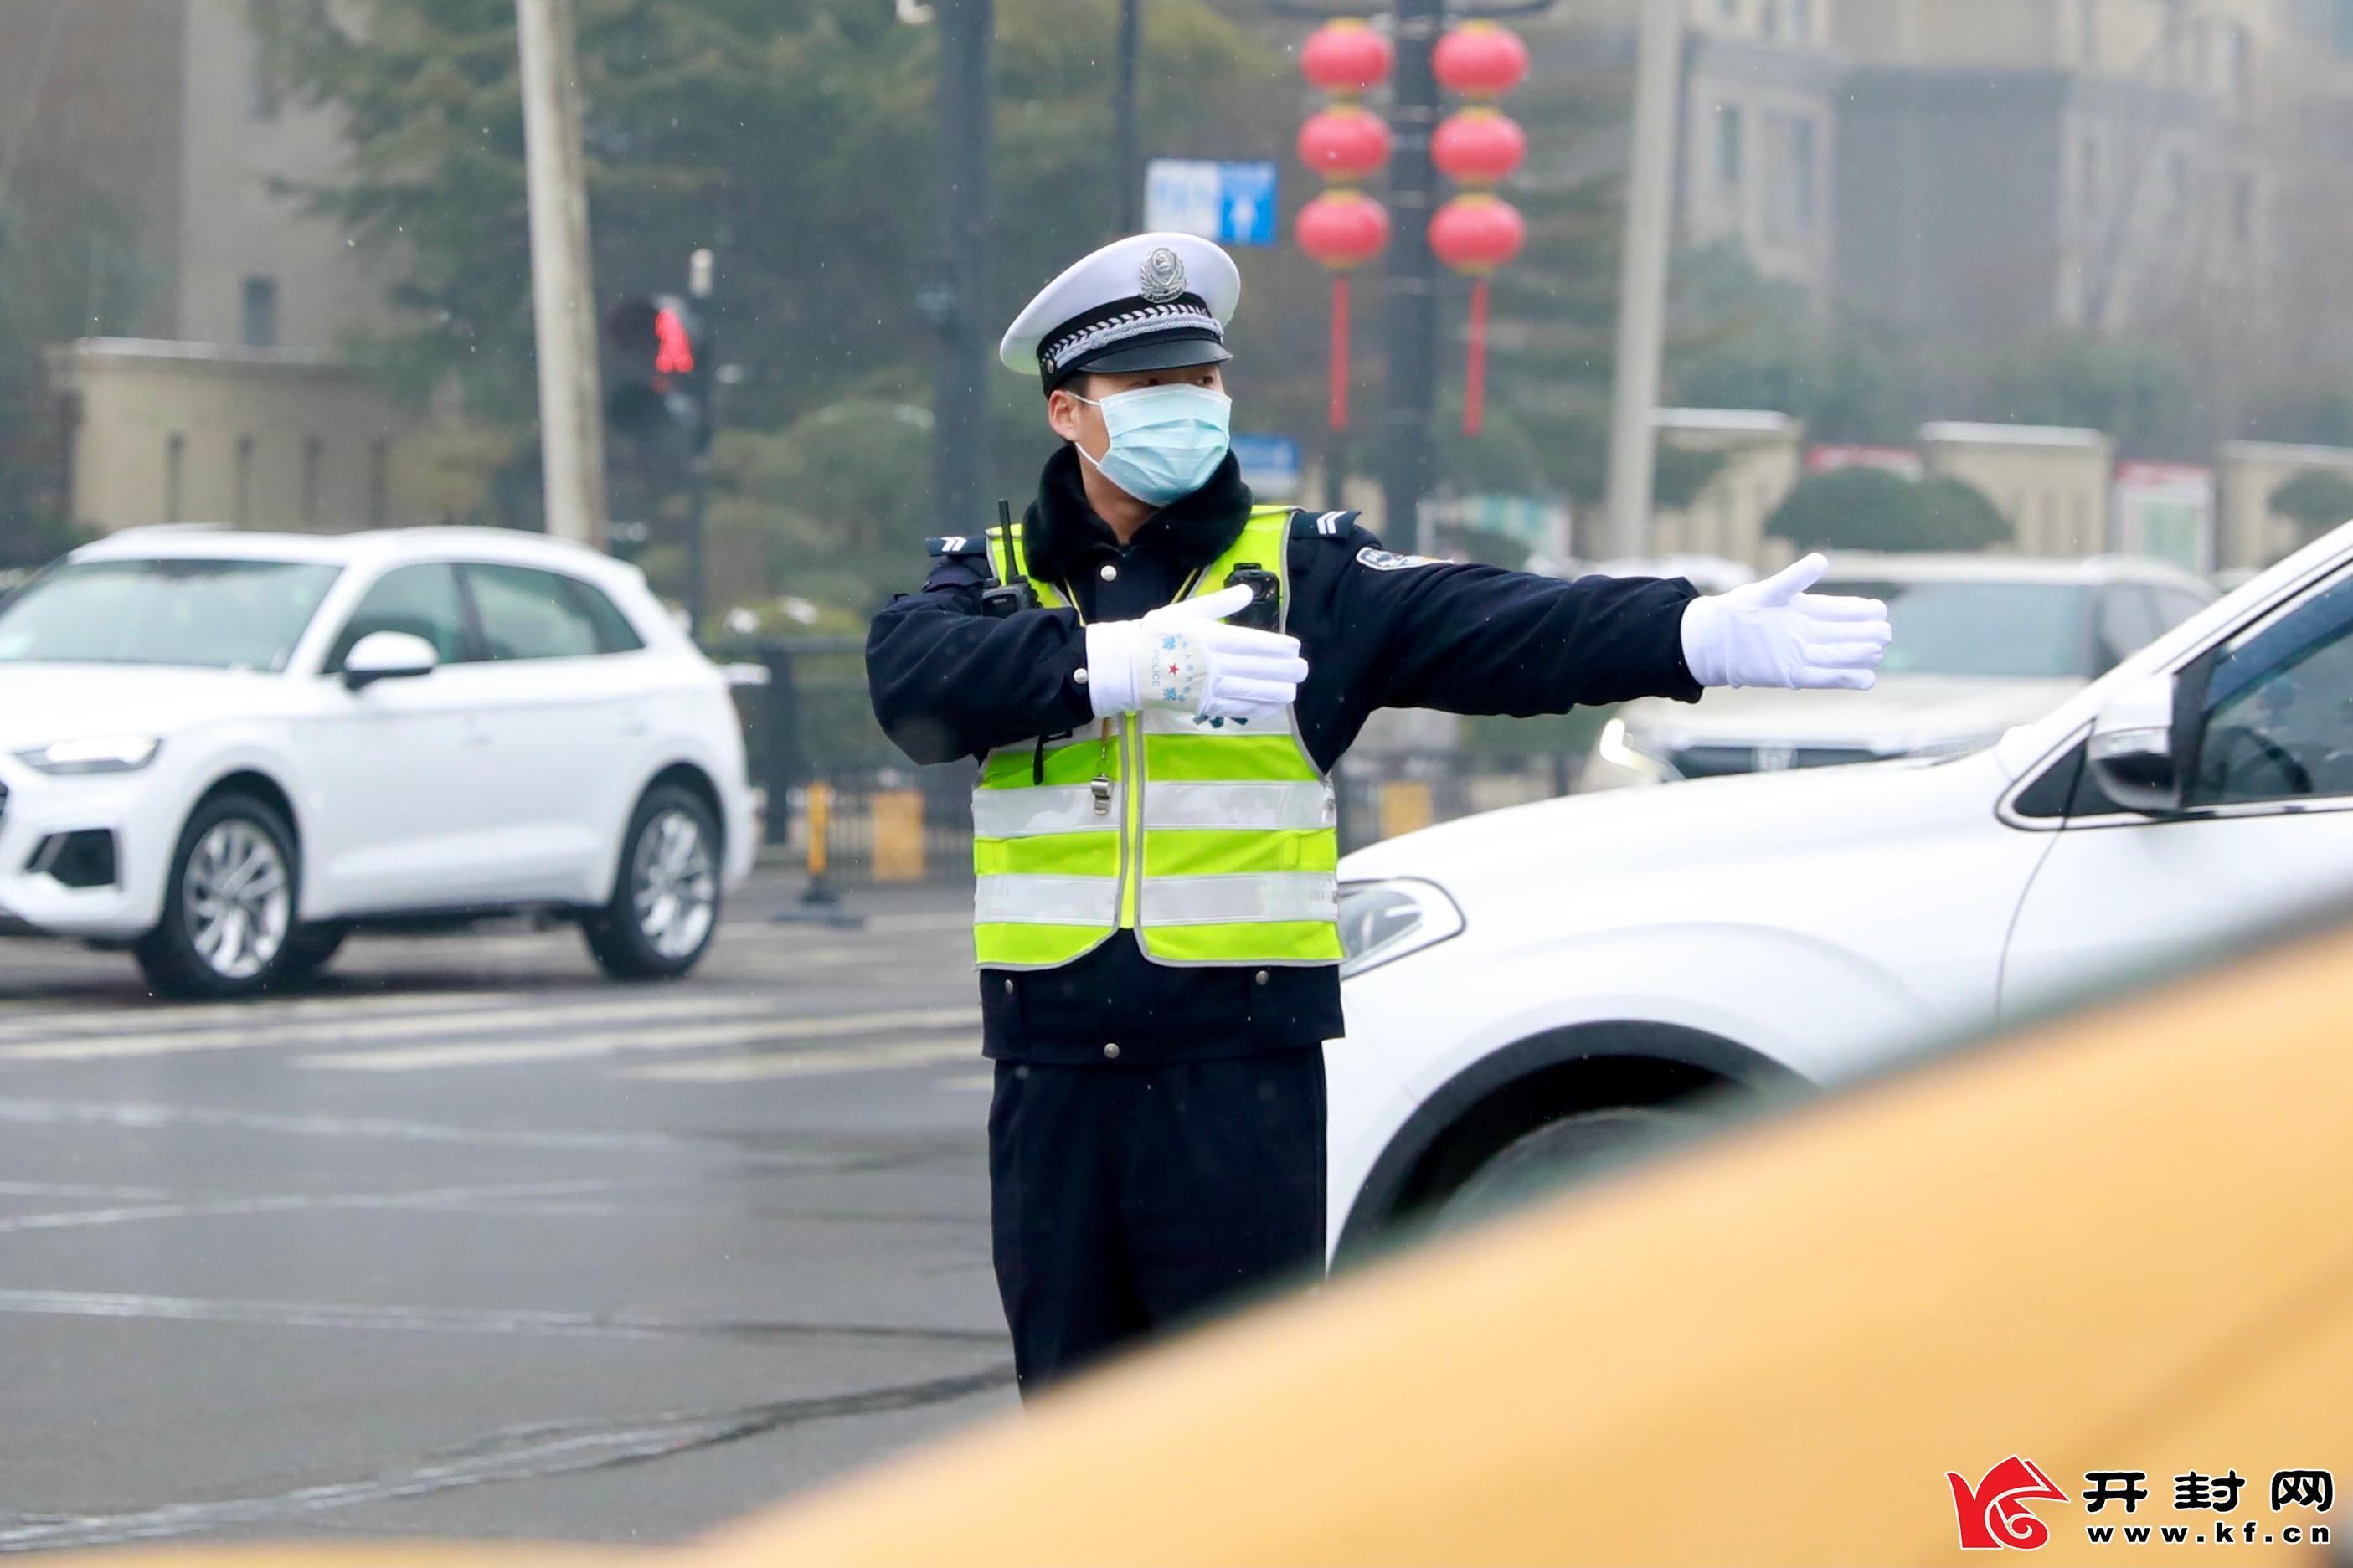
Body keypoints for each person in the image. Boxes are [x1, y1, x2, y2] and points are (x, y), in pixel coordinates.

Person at [867, 233, 1889, 1394]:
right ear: (1067, 412)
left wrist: (1688, 632)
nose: (1186, 409)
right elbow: (915, 685)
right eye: (1148, 388)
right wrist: (1113, 664)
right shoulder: (991, 580)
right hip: (1053, 1074)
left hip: (1235, 1075)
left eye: (1201, 382)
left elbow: (1499, 626)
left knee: (1241, 1420)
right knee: (1073, 1421)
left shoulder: (1301, 577)